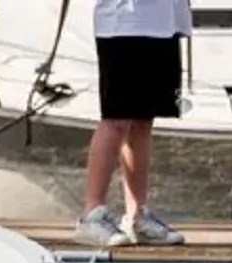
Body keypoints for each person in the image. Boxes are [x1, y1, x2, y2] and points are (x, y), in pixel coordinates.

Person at [74, 0, 191, 247]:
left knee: (142, 121)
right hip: (123, 25)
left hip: (164, 25)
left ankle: (137, 214)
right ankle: (91, 213)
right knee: (117, 118)